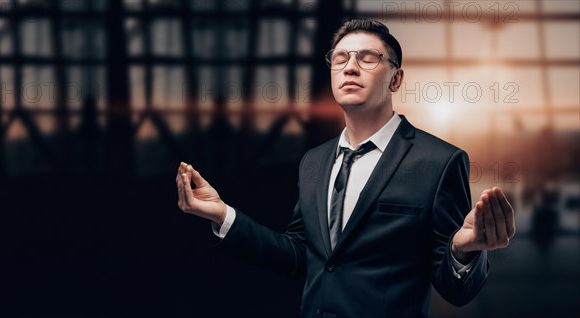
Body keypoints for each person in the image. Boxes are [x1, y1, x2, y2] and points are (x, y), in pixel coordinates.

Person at [176, 18, 515, 318]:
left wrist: (462, 249)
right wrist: (224, 216)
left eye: (368, 58)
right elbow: (301, 257)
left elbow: (455, 290)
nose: (350, 67)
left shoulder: (439, 161)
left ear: (396, 79)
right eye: (340, 59)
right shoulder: (314, 161)